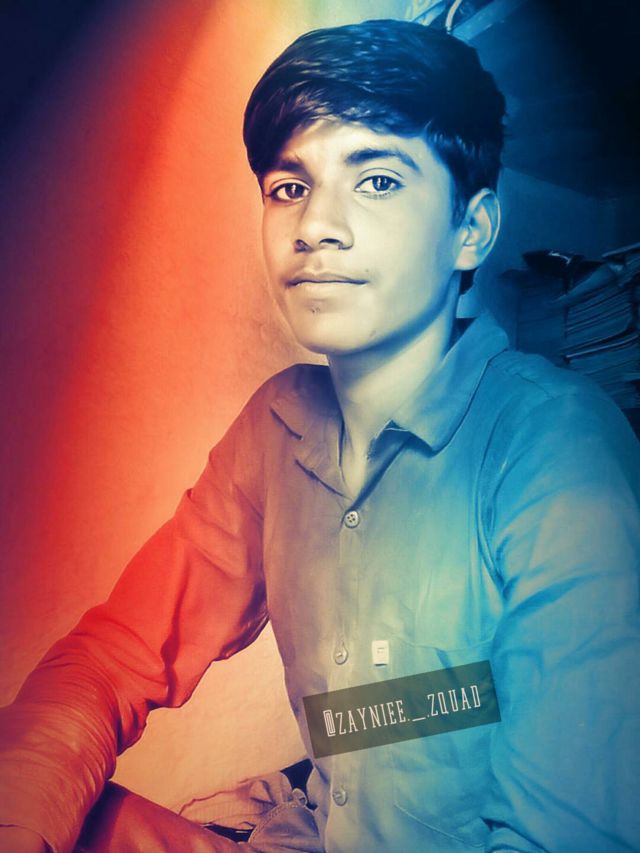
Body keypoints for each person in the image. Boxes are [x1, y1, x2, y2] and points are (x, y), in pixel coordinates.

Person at [2, 17, 640, 853]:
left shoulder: (557, 443)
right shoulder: (278, 424)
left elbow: (563, 834)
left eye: (376, 179)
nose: (314, 226)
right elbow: (113, 654)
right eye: (288, 187)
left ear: (472, 229)